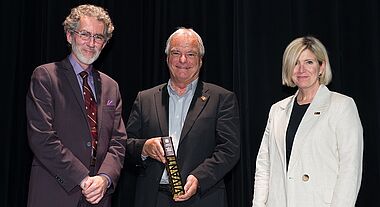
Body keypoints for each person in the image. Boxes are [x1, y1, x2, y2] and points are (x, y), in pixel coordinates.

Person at [126, 27, 240, 207]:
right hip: (152, 199)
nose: (182, 60)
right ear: (167, 58)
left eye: (191, 54)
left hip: (203, 198)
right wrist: (144, 148)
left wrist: (199, 178)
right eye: (176, 52)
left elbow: (229, 150)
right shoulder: (145, 98)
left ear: (201, 61)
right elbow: (124, 145)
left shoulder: (222, 98)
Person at [26, 4, 127, 207]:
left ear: (105, 43)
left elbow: (118, 142)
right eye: (84, 34)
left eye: (98, 37)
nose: (91, 43)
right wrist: (82, 178)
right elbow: (42, 138)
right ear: (69, 36)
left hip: (98, 197)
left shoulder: (111, 87)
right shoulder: (45, 76)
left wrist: (104, 178)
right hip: (54, 193)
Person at [252, 36, 363, 207]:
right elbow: (264, 166)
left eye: (309, 62)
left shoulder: (342, 106)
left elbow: (350, 169)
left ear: (322, 67)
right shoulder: (277, 110)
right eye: (295, 63)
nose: (301, 69)